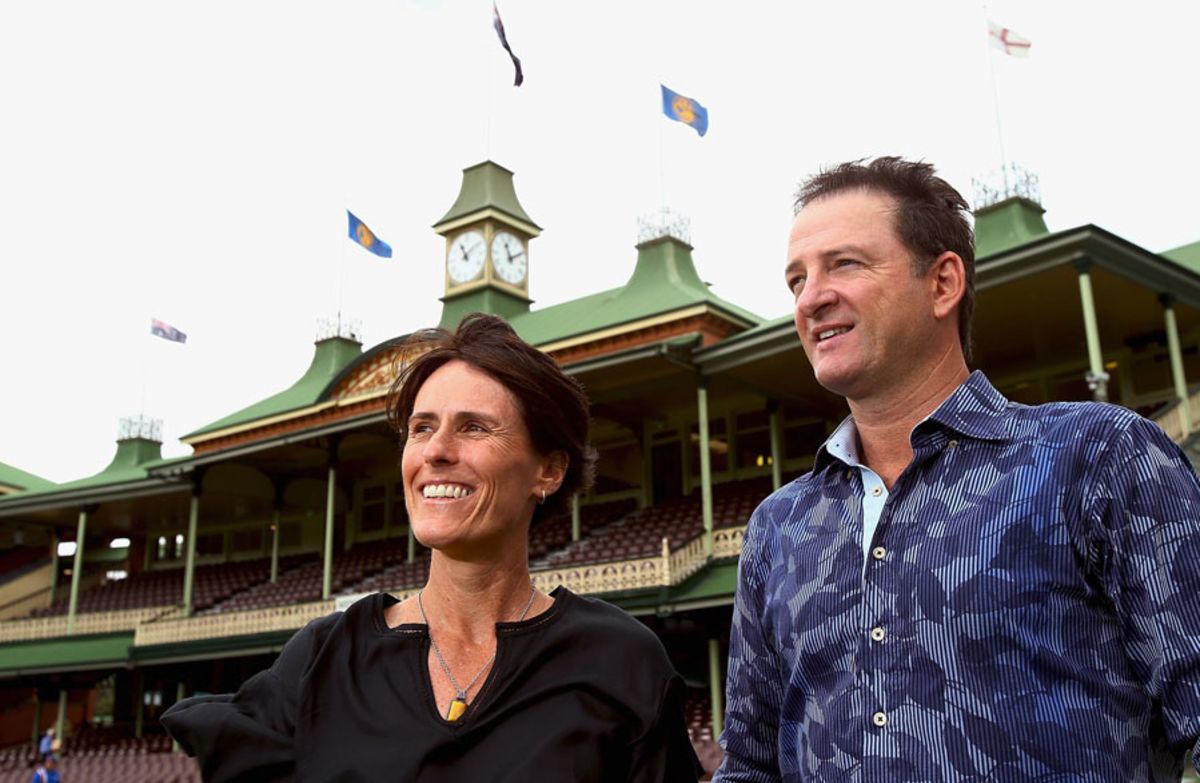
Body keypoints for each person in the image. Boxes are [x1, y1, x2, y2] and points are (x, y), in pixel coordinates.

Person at [716, 157, 1200, 781]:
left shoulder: (1098, 456)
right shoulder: (778, 527)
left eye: (845, 264)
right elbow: (750, 767)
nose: (811, 298)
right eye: (796, 280)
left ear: (943, 283)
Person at [163, 313, 701, 782]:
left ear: (549, 470)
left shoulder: (620, 660)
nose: (437, 451)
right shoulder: (326, 658)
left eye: (474, 427)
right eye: (421, 428)